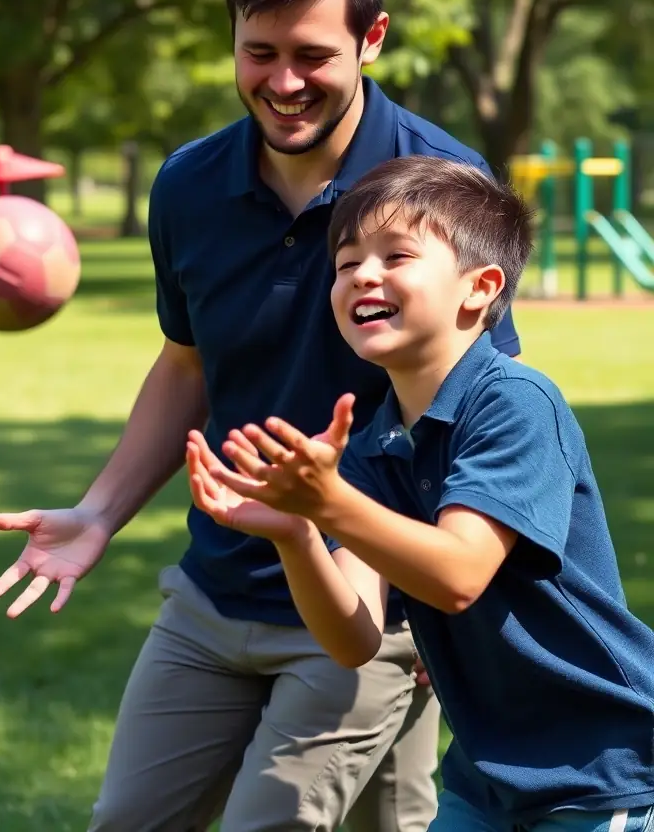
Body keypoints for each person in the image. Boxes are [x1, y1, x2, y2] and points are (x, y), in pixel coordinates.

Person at [0, 0, 523, 832]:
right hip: (215, 589)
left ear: (372, 38)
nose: (282, 83)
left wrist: (432, 594)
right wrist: (99, 513)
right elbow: (186, 364)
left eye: (312, 55)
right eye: (258, 51)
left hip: (368, 604)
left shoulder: (441, 185)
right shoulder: (188, 186)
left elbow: (473, 410)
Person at [189, 155, 654, 832]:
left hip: (596, 765)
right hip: (487, 771)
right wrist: (295, 534)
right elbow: (352, 639)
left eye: (395, 255)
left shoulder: (514, 401)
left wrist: (328, 503)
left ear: (480, 288)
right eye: (346, 264)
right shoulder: (378, 441)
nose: (362, 275)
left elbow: (459, 574)